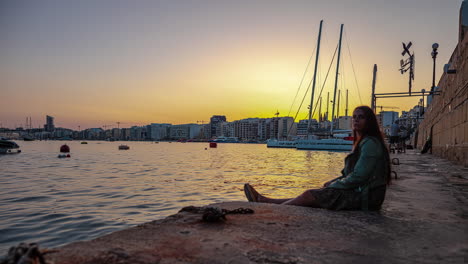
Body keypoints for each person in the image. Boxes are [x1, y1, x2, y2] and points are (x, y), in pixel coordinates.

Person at [244, 105, 391, 211]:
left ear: (369, 121)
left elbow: (359, 177)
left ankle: (272, 211)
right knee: (313, 193)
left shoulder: (370, 143)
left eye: (361, 117)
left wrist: (334, 185)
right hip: (361, 193)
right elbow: (348, 175)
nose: (356, 120)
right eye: (354, 117)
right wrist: (333, 181)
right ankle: (265, 201)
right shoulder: (363, 142)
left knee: (310, 195)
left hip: (366, 198)